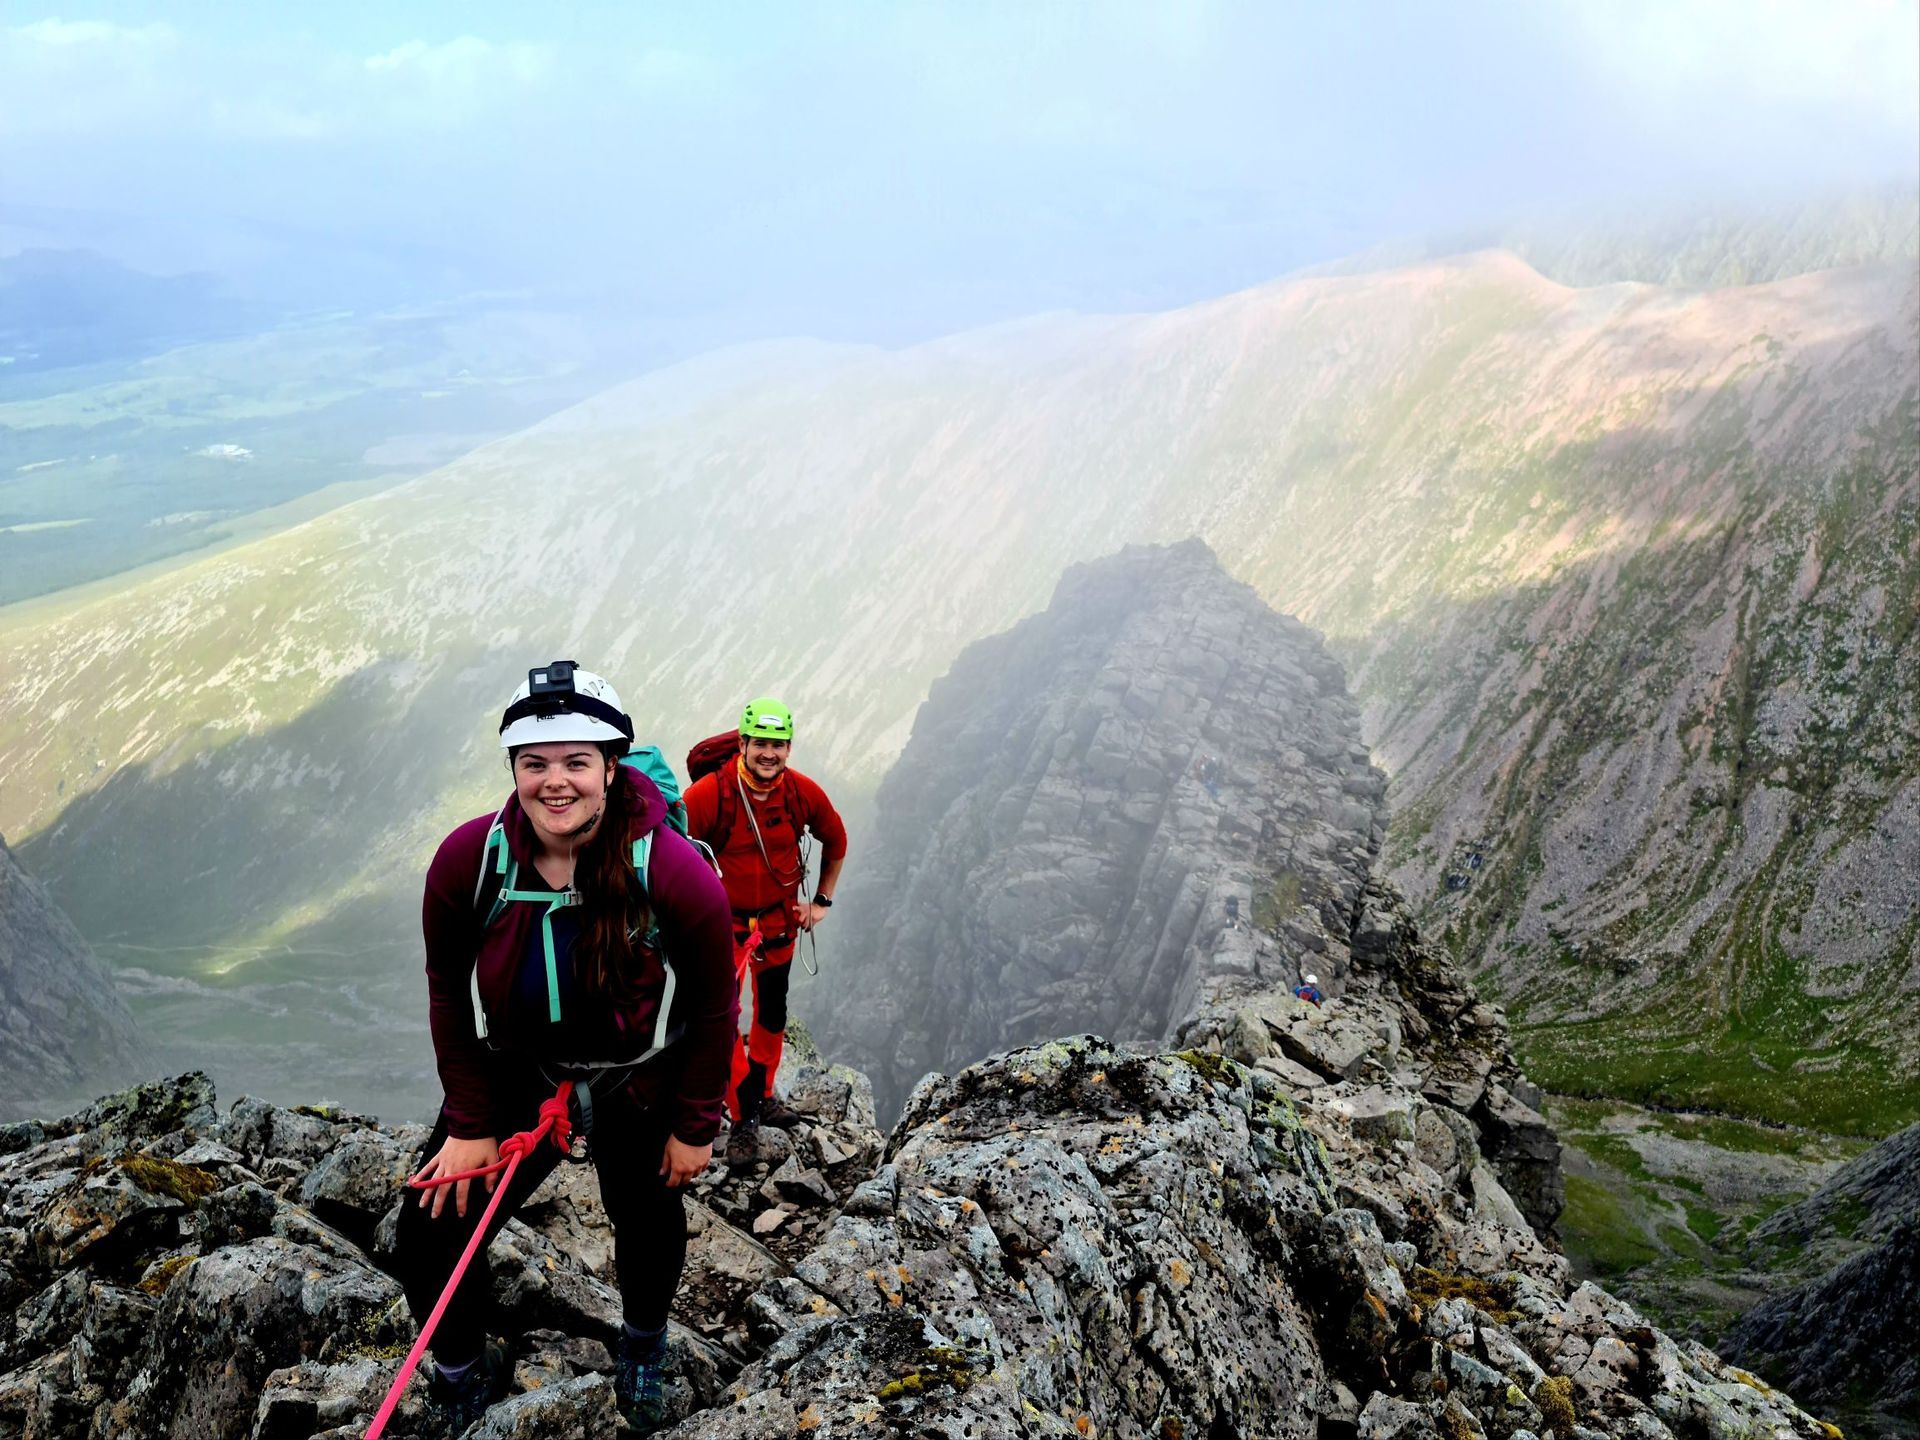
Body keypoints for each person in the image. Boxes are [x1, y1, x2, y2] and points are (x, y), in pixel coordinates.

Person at [396, 661, 737, 1436]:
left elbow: (716, 1005)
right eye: (535, 764)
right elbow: (447, 988)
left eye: (577, 762)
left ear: (612, 770)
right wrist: (469, 1118)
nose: (557, 782)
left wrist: (694, 1125)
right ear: (513, 770)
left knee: (646, 1218)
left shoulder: (675, 873)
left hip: (641, 1080)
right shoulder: (468, 861)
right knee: (431, 1225)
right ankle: (458, 1380)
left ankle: (643, 1350)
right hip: (522, 1073)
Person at [683, 696, 847, 1134]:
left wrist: (821, 902)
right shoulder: (709, 794)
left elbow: (836, 839)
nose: (769, 753)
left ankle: (764, 1095)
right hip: (720, 927)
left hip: (777, 924)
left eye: (778, 744)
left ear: (789, 748)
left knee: (773, 1010)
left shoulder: (800, 792)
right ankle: (742, 1113)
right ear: (742, 742)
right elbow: (673, 856)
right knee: (723, 1017)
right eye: (760, 743)